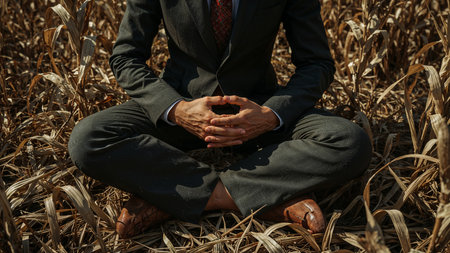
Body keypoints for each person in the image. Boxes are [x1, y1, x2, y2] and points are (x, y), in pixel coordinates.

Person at [68, 0, 372, 239]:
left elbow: (316, 63)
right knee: (88, 139)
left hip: (257, 107)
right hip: (182, 107)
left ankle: (176, 197)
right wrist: (176, 109)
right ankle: (266, 199)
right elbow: (126, 57)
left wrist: (270, 115)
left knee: (349, 142)